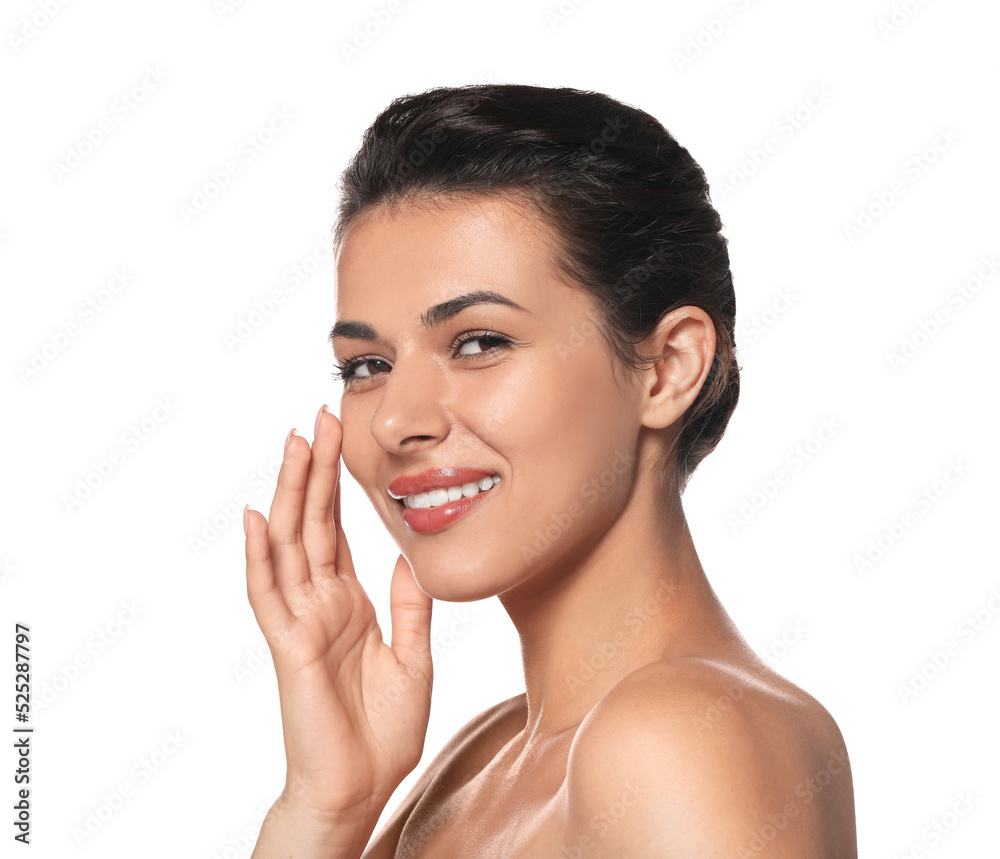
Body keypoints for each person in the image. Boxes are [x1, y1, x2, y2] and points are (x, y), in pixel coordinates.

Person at [243, 83, 857, 858]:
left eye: (478, 343)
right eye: (367, 364)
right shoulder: (482, 756)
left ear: (666, 368)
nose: (396, 419)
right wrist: (326, 807)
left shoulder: (684, 737)